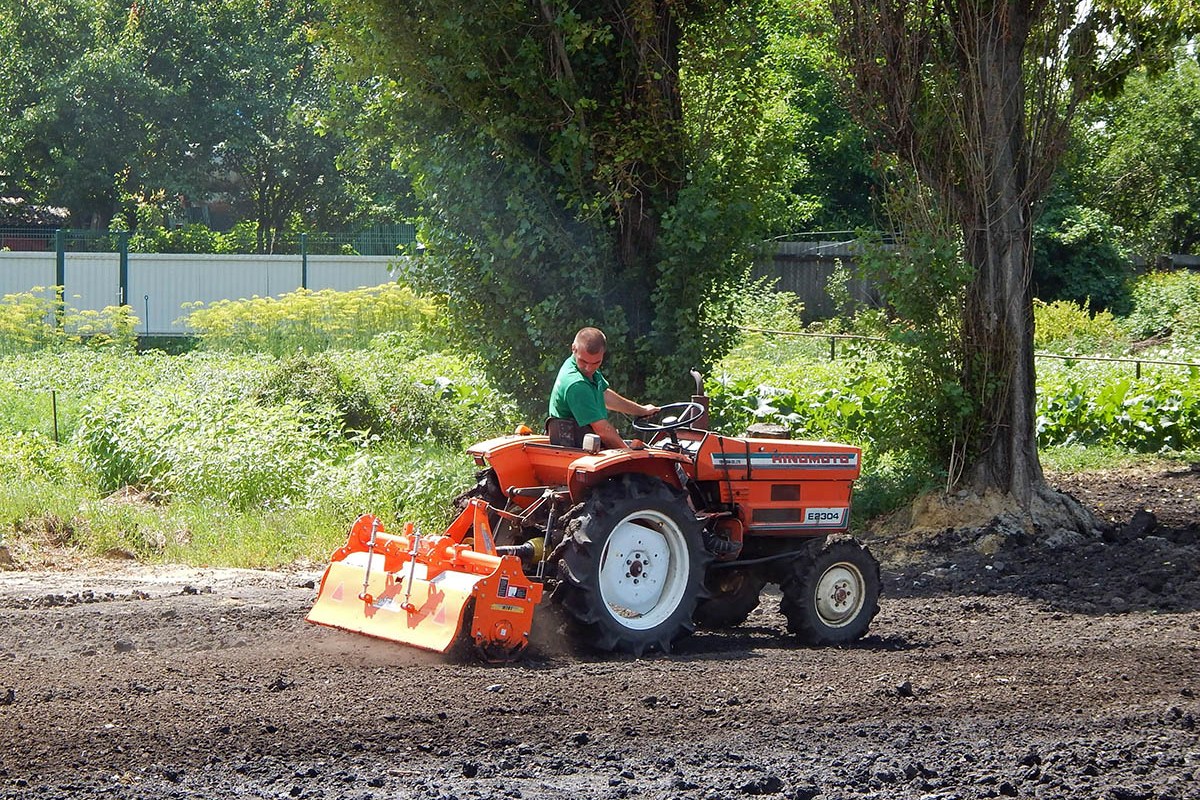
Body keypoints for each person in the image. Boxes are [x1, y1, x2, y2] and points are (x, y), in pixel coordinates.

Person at [547, 327, 659, 450]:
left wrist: (642, 410)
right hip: (576, 450)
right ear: (573, 348)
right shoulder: (576, 384)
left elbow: (605, 395)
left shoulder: (584, 369)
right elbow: (603, 431)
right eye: (583, 361)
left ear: (602, 354)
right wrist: (630, 455)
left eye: (596, 363)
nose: (589, 368)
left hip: (590, 446)